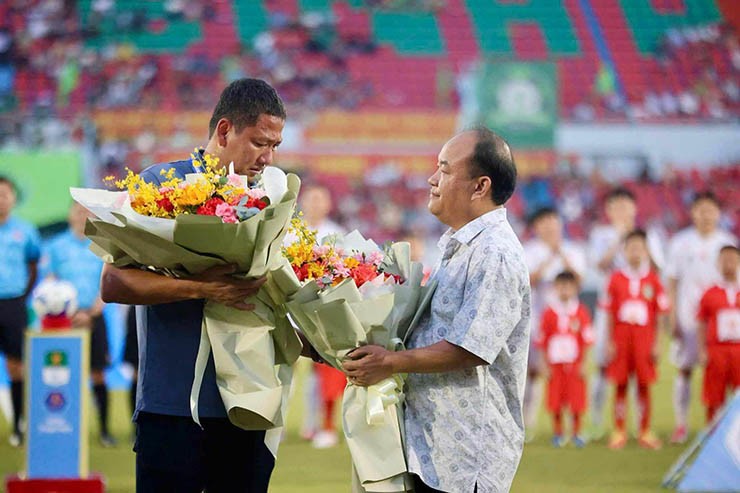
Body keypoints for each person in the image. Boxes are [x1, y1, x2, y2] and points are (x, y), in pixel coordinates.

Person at [100, 78, 287, 493]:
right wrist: (202, 289)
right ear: (224, 130)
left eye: (275, 146)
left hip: (247, 404)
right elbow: (112, 284)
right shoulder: (161, 185)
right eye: (259, 142)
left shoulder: (272, 200)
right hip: (171, 404)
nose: (268, 157)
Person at [343, 128, 530, 493]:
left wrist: (391, 362)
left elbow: (471, 347)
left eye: (445, 170)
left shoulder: (495, 252)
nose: (432, 179)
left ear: (480, 187)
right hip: (432, 447)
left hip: (466, 457)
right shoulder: (460, 245)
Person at [587, 187, 664, 437]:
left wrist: (639, 242)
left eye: (625, 206)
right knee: (603, 363)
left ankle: (636, 426)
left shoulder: (648, 234)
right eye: (615, 206)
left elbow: (658, 269)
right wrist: (620, 239)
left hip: (639, 311)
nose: (621, 211)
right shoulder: (601, 234)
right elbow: (599, 265)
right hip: (609, 310)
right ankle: (597, 421)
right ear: (608, 210)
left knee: (638, 368)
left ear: (634, 208)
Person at [664, 191, 736, 444]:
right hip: (687, 318)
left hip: (719, 323)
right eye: (701, 210)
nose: (706, 215)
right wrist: (672, 315)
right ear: (693, 212)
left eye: (711, 210)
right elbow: (671, 282)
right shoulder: (680, 243)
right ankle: (681, 425)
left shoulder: (727, 242)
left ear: (718, 213)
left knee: (723, 374)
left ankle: (725, 429)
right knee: (684, 369)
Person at [45, 203, 116, 447]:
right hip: (64, 321)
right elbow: (50, 281)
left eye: (86, 212)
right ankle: (67, 428)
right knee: (65, 374)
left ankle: (105, 431)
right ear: (69, 215)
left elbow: (109, 280)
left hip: (95, 316)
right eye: (77, 211)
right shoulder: (56, 246)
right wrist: (66, 312)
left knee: (98, 373)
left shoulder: (102, 244)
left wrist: (93, 311)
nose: (81, 215)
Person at [523, 207, 586, 441]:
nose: (549, 226)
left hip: (567, 326)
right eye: (543, 221)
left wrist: (561, 254)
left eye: (553, 220)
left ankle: (568, 427)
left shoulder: (573, 250)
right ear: (536, 227)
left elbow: (579, 280)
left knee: (567, 374)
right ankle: (527, 423)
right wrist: (549, 257)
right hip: (537, 320)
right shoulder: (529, 251)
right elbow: (527, 281)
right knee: (532, 372)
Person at [603, 230, 669, 450]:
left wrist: (657, 343)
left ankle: (645, 430)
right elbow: (610, 313)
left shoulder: (653, 280)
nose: (635, 252)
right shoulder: (616, 279)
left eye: (639, 248)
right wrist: (611, 342)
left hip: (644, 338)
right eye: (631, 248)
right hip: (621, 338)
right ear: (624, 251)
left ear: (646, 251)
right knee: (620, 384)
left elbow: (660, 314)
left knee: (644, 385)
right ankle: (619, 430)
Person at [296, 184, 345, 448]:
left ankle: (324, 426)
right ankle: (275, 424)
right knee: (281, 370)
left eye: (320, 200)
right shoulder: (289, 232)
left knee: (323, 371)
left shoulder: (336, 234)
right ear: (303, 203)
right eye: (311, 199)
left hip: (322, 311)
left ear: (328, 205)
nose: (315, 204)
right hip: (289, 309)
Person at [0, 176, 41, 447]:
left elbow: (33, 265)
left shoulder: (25, 231)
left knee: (17, 366)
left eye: (5, 194)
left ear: (14, 198)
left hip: (13, 303)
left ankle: (18, 425)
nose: (1, 199)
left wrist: (23, 295)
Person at [535, 270, 593, 448]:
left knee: (576, 400)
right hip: (555, 364)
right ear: (555, 288)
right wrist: (544, 364)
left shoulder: (581, 312)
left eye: (568, 287)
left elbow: (587, 340)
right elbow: (542, 341)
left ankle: (576, 432)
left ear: (576, 289)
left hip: (574, 364)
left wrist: (584, 363)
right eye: (561, 287)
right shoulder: (549, 313)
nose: (565, 291)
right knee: (556, 400)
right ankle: (558, 433)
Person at [696, 245, 739, 422]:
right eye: (724, 260)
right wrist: (702, 350)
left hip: (738, 350)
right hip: (717, 351)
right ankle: (712, 433)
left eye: (732, 259)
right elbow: (701, 322)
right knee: (714, 395)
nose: (728, 264)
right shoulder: (709, 293)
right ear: (717, 263)